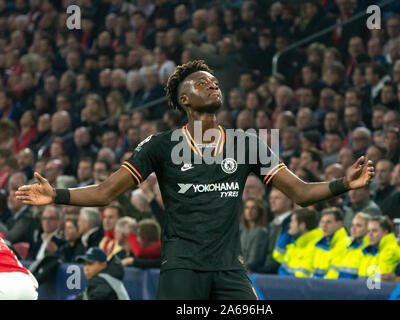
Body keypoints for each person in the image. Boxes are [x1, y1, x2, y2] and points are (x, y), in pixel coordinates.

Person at [16, 60, 375, 300]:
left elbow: (299, 192)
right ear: (185, 99)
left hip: (230, 268)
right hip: (182, 268)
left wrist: (345, 183)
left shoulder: (247, 143)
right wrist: (57, 195)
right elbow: (106, 192)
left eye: (216, 82)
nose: (213, 85)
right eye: (204, 83)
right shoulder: (160, 145)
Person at [272, 208, 323, 277]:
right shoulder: (295, 243)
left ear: (302, 225)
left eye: (293, 221)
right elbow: (277, 256)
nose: (290, 225)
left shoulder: (316, 246)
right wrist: (287, 235)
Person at [312, 207, 351, 279]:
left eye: (328, 222)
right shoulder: (319, 243)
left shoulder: (345, 245)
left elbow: (334, 275)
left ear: (339, 224)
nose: (324, 225)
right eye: (322, 222)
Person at [336, 213, 370, 279]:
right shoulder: (346, 248)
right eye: (352, 225)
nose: (353, 228)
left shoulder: (368, 250)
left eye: (358, 225)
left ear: (368, 229)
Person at [240, 198, 268, 272]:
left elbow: (254, 260)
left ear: (259, 211)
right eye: (247, 208)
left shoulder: (261, 232)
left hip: (248, 272)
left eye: (253, 208)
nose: (249, 211)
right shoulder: (242, 230)